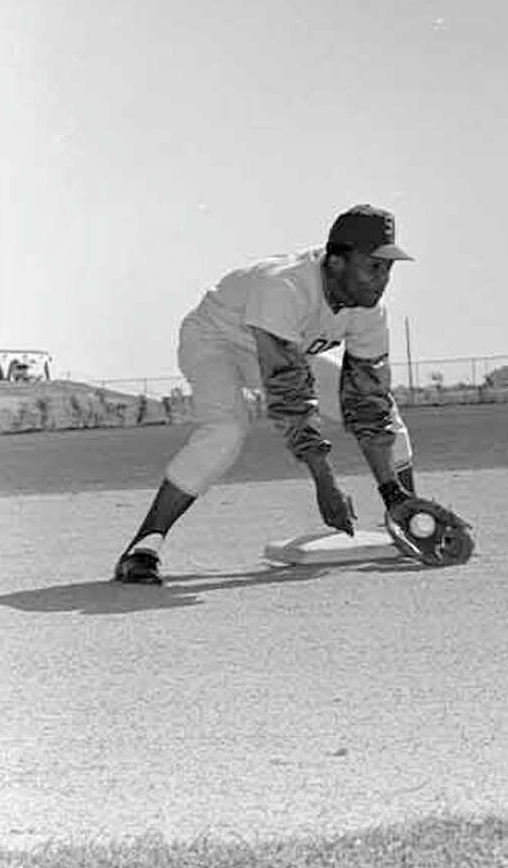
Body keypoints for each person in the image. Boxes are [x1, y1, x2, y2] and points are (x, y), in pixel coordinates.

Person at [113, 204, 417, 585]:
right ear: (336, 262)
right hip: (216, 340)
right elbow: (290, 397)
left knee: (387, 413)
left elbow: (367, 402)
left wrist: (393, 495)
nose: (382, 279)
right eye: (373, 266)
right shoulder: (284, 286)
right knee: (225, 431)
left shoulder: (369, 310)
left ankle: (409, 522)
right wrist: (326, 485)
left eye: (388, 268)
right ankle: (142, 548)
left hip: (279, 352)